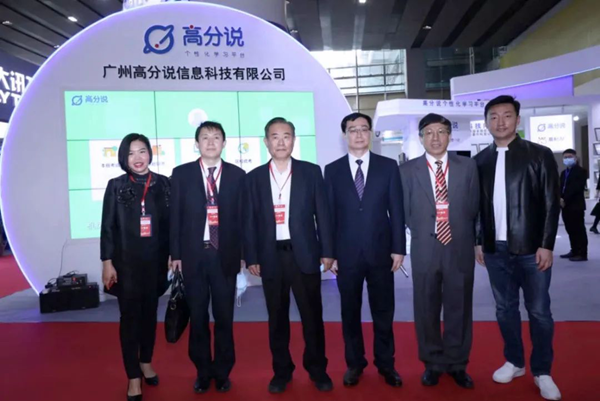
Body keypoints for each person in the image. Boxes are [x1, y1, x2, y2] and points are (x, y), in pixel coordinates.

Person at [474, 95, 561, 401]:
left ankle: (542, 371)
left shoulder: (539, 154)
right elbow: (477, 208)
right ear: (487, 122)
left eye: (507, 115)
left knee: (539, 312)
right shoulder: (480, 161)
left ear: (517, 120)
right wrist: (478, 241)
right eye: (494, 116)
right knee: (504, 309)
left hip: (531, 249)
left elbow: (551, 203)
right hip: (494, 250)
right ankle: (514, 361)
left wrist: (546, 244)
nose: (500, 122)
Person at [242, 117, 334, 394]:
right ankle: (282, 371)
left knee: (312, 317)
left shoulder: (310, 172)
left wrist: (327, 251)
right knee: (277, 318)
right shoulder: (254, 178)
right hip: (271, 257)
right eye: (275, 137)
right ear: (266, 142)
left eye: (286, 136)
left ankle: (317, 370)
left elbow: (323, 214)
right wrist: (251, 256)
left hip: (304, 254)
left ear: (294, 140)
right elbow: (249, 221)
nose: (281, 142)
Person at [324, 112, 406, 388]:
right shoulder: (332, 170)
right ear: (345, 135)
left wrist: (399, 248)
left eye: (363, 129)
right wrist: (330, 252)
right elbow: (328, 216)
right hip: (346, 255)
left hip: (381, 253)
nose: (358, 134)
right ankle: (355, 364)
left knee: (383, 312)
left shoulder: (388, 166)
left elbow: (397, 210)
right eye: (353, 130)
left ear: (370, 133)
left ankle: (386, 364)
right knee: (350, 312)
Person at [400, 113, 479, 390]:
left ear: (450, 136)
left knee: (460, 306)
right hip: (424, 247)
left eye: (441, 132)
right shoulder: (407, 170)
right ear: (421, 137)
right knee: (426, 307)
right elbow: (405, 212)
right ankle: (432, 363)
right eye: (429, 132)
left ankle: (457, 363)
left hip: (459, 247)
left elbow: (474, 208)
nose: (435, 138)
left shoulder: (467, 166)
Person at [170, 121, 246, 394]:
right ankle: (202, 371)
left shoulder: (238, 175)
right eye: (205, 137)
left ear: (224, 143)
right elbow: (175, 217)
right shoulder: (181, 174)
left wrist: (243, 255)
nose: (211, 142)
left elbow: (243, 219)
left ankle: (223, 372)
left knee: (224, 317)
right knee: (198, 317)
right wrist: (176, 253)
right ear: (196, 143)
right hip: (193, 256)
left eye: (216, 137)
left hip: (225, 256)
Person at [100, 133, 170, 401]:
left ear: (150, 153)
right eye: (131, 153)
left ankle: (146, 362)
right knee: (130, 320)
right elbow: (107, 227)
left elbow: (171, 224)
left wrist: (173, 254)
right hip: (125, 265)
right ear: (123, 158)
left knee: (150, 316)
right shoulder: (116, 186)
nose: (137, 158)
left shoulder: (163, 184)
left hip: (155, 264)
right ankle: (133, 377)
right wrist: (107, 262)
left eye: (142, 151)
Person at [559, 149, 588, 261]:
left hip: (576, 205)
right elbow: (560, 187)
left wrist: (564, 199)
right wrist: (559, 198)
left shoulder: (581, 171)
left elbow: (576, 188)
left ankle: (582, 253)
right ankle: (574, 250)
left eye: (570, 157)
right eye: (565, 157)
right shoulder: (563, 173)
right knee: (570, 229)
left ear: (575, 158)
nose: (567, 159)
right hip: (565, 206)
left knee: (579, 230)